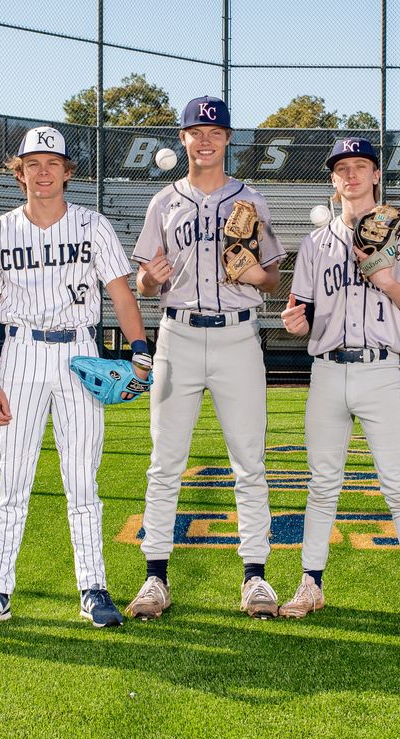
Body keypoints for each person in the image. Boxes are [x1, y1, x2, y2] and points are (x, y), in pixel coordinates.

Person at [0, 126, 151, 631]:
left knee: (81, 480)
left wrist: (141, 353)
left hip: (80, 352)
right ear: (18, 172)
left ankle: (93, 587)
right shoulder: (0, 231)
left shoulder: (93, 225)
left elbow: (121, 293)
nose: (42, 172)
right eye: (32, 163)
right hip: (20, 354)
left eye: (52, 163)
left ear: (68, 172)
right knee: (12, 482)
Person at [129, 96, 286, 620]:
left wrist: (253, 274)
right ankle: (155, 578)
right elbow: (143, 283)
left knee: (249, 462)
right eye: (196, 131)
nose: (205, 139)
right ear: (183, 138)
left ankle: (256, 577)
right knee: (165, 461)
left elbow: (274, 278)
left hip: (238, 339)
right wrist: (149, 278)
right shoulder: (163, 202)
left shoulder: (252, 199)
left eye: (214, 132)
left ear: (226, 139)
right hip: (176, 336)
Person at [278, 137, 400, 629]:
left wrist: (387, 280)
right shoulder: (314, 244)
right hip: (327, 370)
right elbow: (299, 308)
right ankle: (310, 584)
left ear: (375, 176)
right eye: (342, 168)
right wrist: (294, 320)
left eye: (360, 166)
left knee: (398, 486)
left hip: (380, 370)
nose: (351, 175)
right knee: (321, 485)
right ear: (333, 180)